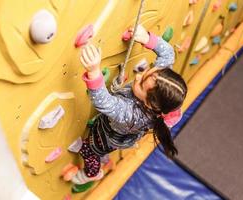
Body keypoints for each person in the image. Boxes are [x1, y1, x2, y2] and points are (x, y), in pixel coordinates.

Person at [72, 25, 187, 184]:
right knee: (98, 134)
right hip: (116, 126)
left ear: (150, 104)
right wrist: (147, 38)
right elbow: (168, 54)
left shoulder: (131, 114)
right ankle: (104, 155)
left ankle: (92, 173)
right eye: (148, 72)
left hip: (109, 136)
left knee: (88, 150)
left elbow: (104, 102)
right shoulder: (158, 83)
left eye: (141, 84)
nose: (139, 76)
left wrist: (93, 72)